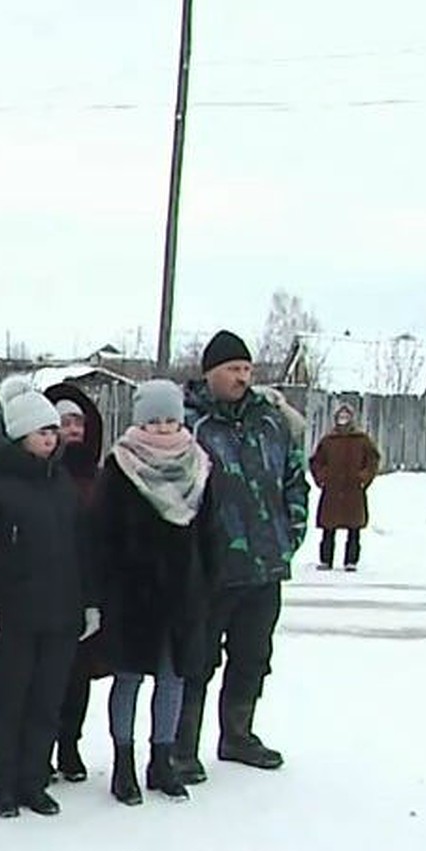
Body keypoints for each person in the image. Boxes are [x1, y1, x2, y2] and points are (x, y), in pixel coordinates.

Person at [0, 379, 96, 819]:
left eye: (54, 432)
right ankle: (1, 781)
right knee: (5, 700)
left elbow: (82, 548)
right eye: (43, 432)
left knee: (46, 700)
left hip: (59, 612)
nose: (52, 439)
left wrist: (88, 602)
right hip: (10, 616)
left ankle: (33, 779)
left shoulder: (61, 484)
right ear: (18, 435)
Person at [175, 330, 309, 781]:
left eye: (247, 369)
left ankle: (237, 734)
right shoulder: (191, 425)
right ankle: (182, 746)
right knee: (198, 659)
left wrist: (289, 533)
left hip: (265, 565)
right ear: (209, 373)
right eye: (233, 369)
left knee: (253, 655)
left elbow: (295, 477)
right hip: (211, 569)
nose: (242, 377)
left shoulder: (270, 421)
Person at [95, 380, 218, 805]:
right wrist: (106, 589)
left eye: (171, 419)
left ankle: (161, 759)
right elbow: (103, 535)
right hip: (133, 594)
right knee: (128, 678)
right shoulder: (120, 466)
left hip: (184, 593)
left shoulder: (199, 464)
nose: (164, 429)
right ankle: (123, 763)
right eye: (155, 420)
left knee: (173, 678)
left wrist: (207, 584)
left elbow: (211, 532)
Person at [43, 383, 107, 784]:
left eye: (78, 421)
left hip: (87, 590)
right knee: (47, 678)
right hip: (47, 590)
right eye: (64, 422)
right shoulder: (45, 475)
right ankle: (42, 747)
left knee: (79, 677)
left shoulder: (97, 478)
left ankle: (70, 744)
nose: (73, 429)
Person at [310, 403, 380, 571]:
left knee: (354, 528)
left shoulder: (361, 440)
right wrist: (322, 477)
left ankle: (351, 561)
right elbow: (316, 461)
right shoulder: (328, 440)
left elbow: (373, 460)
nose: (343, 420)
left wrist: (363, 477)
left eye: (346, 417)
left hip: (353, 490)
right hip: (332, 490)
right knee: (328, 527)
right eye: (340, 417)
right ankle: (326, 560)